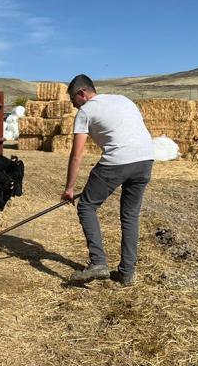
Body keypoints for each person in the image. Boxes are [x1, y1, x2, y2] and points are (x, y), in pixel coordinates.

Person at [61, 74, 154, 286]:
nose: (73, 105)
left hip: (118, 160)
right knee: (130, 215)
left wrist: (69, 189)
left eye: (72, 100)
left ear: (82, 94)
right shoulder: (123, 99)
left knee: (86, 206)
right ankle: (127, 272)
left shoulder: (86, 111)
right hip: (146, 159)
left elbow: (76, 155)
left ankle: (98, 263)